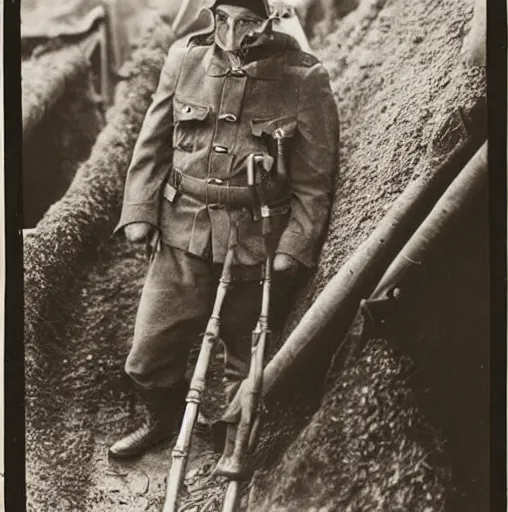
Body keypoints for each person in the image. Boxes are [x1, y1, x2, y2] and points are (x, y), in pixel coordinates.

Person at [108, 0, 339, 460]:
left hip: (254, 240)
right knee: (149, 351)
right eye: (222, 19)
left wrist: (294, 245)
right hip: (181, 232)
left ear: (271, 20)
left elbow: (315, 181)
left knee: (244, 353)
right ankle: (162, 420)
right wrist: (139, 211)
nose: (232, 34)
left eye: (248, 21)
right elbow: (151, 144)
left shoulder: (304, 78)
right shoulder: (184, 59)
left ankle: (233, 437)